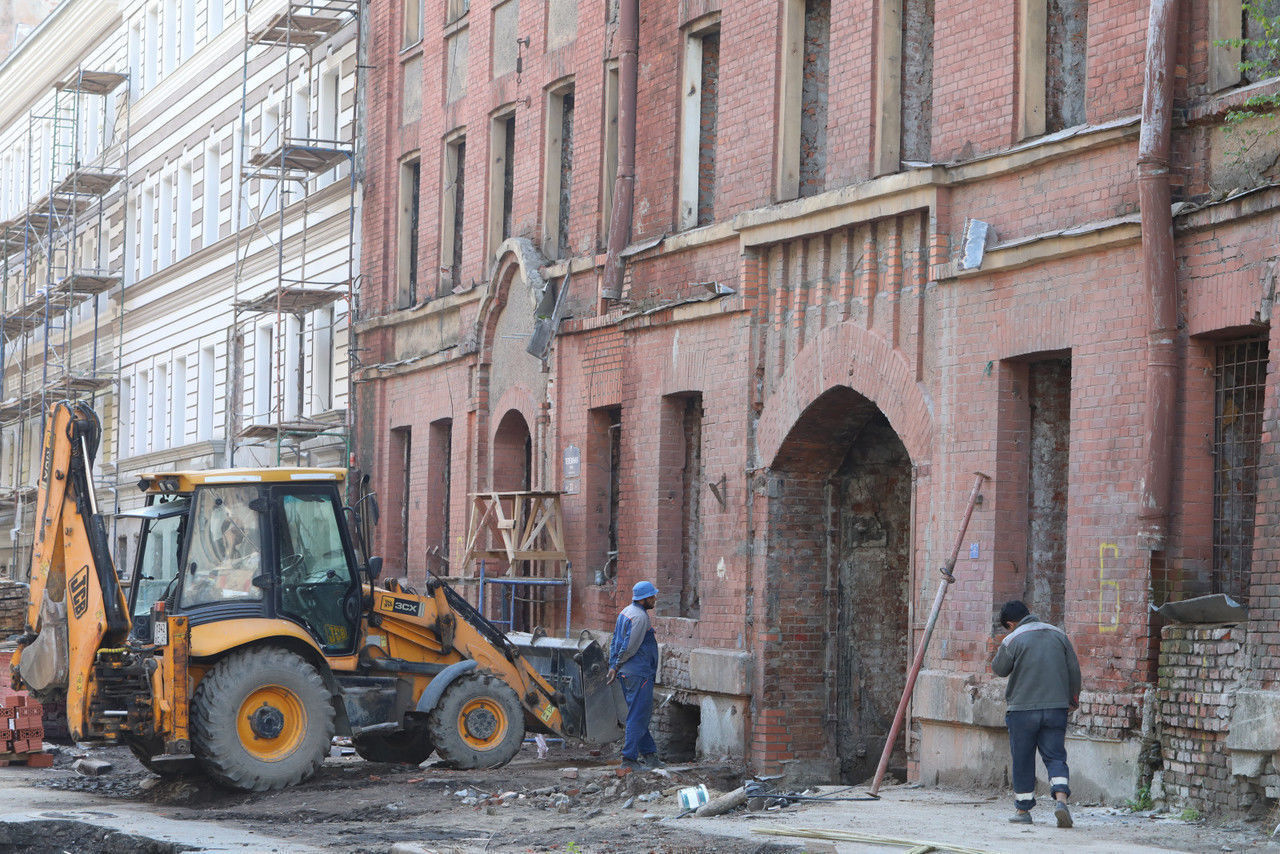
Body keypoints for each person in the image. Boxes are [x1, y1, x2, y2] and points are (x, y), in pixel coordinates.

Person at [992, 599, 1082, 828]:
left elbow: (999, 669)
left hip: (1022, 710)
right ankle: (1061, 799)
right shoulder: (1058, 634)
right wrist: (1072, 699)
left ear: (1010, 624)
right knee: (1055, 755)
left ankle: (1023, 810)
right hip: (1055, 708)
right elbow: (1073, 668)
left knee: (1023, 758)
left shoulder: (1012, 638)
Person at [607, 580, 661, 771]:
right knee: (638, 716)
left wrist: (614, 666)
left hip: (627, 673)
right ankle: (629, 758)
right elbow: (629, 646)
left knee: (638, 714)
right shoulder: (640, 618)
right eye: (652, 596)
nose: (654, 599)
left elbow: (615, 640)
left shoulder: (625, 612)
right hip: (638, 673)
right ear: (645, 598)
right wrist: (618, 662)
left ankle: (649, 754)